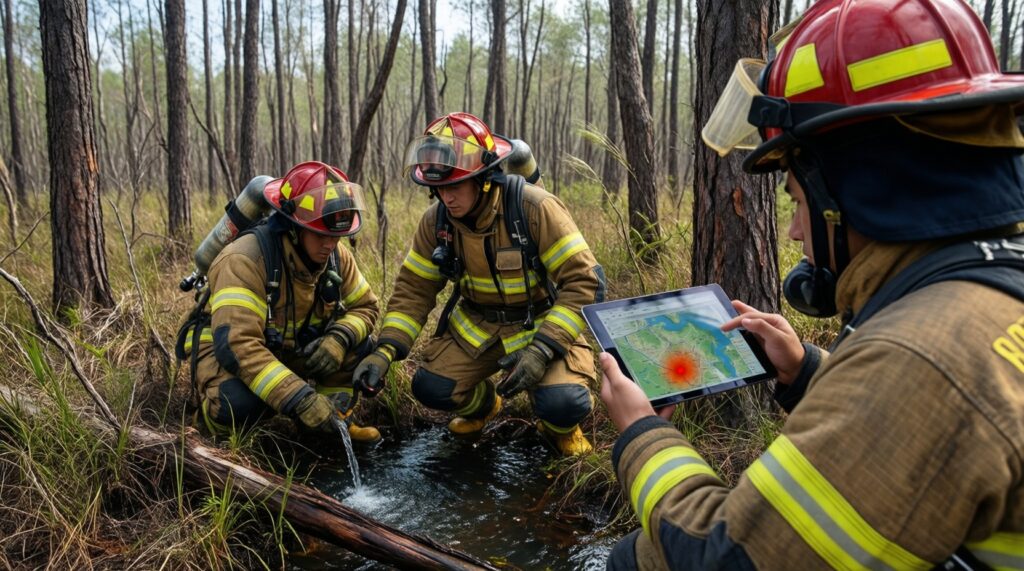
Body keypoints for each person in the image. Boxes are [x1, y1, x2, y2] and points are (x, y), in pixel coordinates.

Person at [602, 0, 1024, 568]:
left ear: (860, 188)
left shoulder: (917, 357)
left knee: (643, 559)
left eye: (798, 201)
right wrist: (805, 370)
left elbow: (726, 559)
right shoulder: (987, 287)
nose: (797, 230)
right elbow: (930, 430)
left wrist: (642, 433)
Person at [352, 112, 606, 456]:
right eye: (438, 188)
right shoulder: (437, 222)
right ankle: (486, 407)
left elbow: (585, 281)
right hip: (478, 327)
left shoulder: (534, 208)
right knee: (431, 389)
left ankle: (561, 430)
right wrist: (385, 350)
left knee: (563, 402)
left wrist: (544, 348)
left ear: (484, 178)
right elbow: (414, 290)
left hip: (542, 324)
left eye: (454, 185)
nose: (446, 197)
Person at [184, 161, 382, 442]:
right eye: (320, 234)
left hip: (285, 346)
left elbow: (366, 306)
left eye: (336, 235)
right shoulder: (244, 260)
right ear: (293, 226)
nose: (330, 244)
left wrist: (338, 339)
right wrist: (299, 399)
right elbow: (238, 346)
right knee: (240, 403)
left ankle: (332, 425)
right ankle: (211, 431)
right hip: (226, 350)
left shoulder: (335, 254)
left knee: (359, 344)